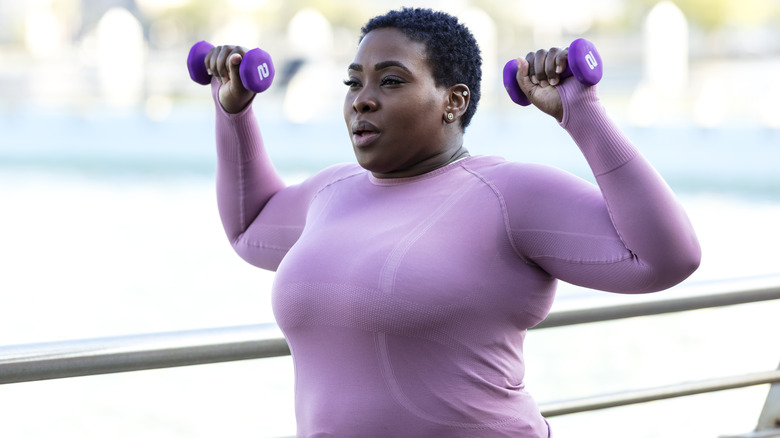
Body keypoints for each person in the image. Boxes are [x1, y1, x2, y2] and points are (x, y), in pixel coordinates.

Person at [201, 7, 700, 438]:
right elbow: (249, 227)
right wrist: (234, 111)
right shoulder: (330, 192)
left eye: (391, 81)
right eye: (354, 82)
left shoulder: (509, 193)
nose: (362, 99)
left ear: (454, 101)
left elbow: (667, 259)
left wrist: (582, 112)